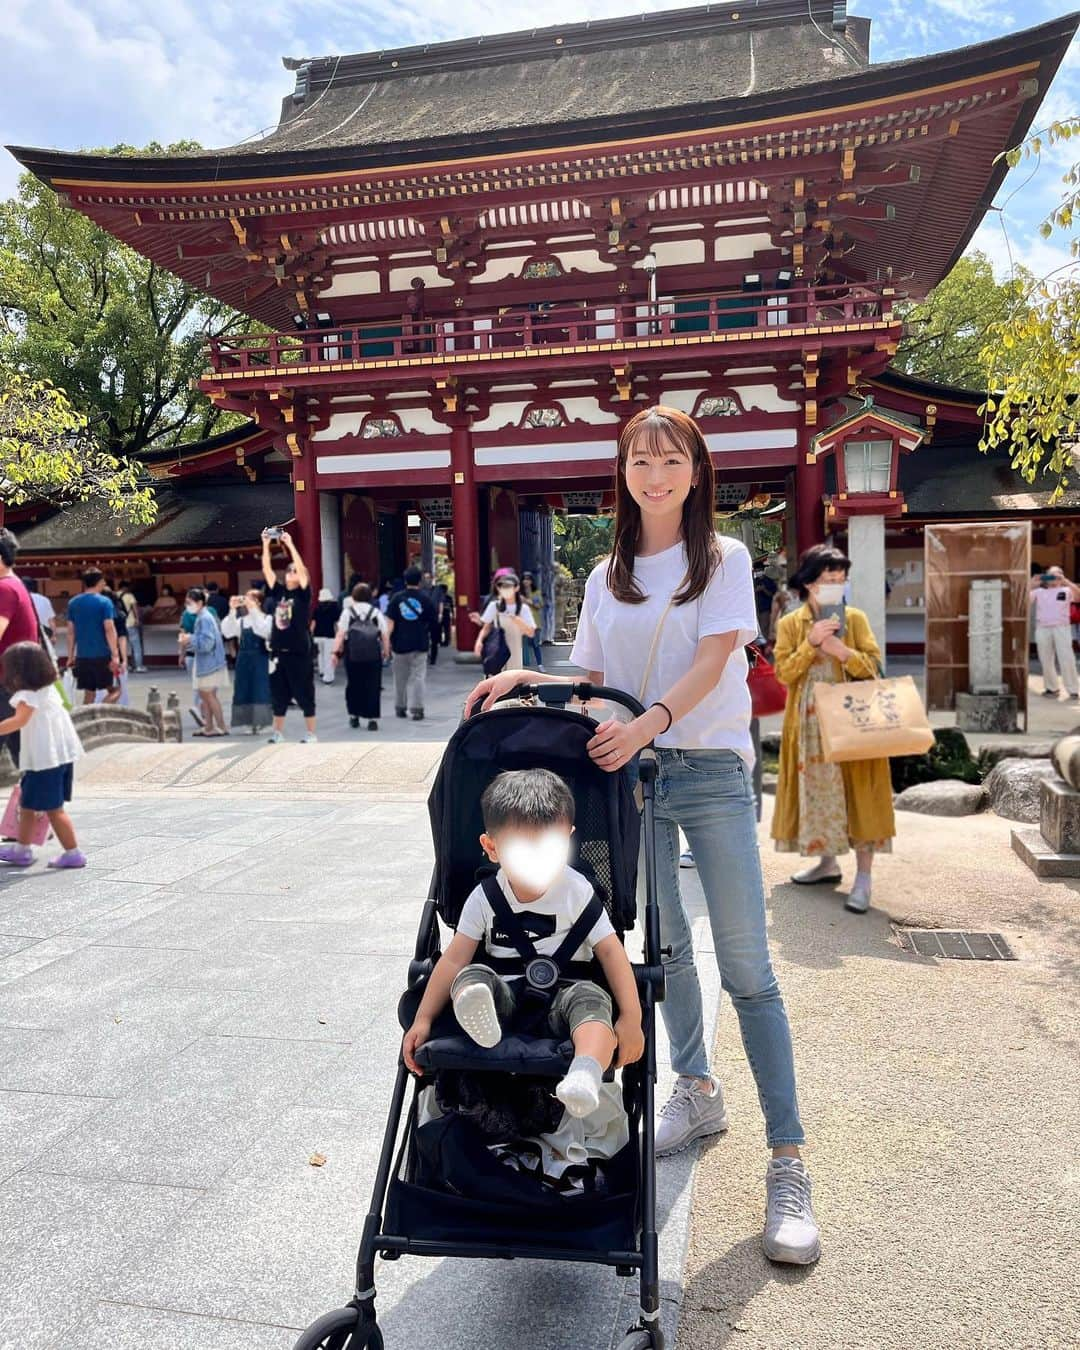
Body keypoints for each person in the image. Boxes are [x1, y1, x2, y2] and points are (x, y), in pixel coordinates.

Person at [465, 405, 819, 1266]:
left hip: (707, 770)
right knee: (667, 951)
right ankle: (696, 1089)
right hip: (632, 779)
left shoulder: (725, 559)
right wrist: (531, 676)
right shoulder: (608, 571)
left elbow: (715, 661)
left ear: (696, 472)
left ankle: (789, 1160)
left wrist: (651, 721)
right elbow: (595, 679)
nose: (654, 475)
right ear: (621, 472)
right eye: (639, 461)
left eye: (669, 460)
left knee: (750, 967)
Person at [402, 768, 643, 1119]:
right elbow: (453, 960)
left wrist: (632, 1019)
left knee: (594, 1005)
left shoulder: (577, 892)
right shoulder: (485, 898)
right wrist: (423, 1018)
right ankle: (476, 1016)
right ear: (492, 848)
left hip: (567, 993)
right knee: (472, 977)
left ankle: (584, 1075)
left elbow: (611, 953)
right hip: (504, 996)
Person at [770, 545, 895, 916]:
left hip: (852, 719)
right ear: (809, 584)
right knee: (819, 792)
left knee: (860, 794)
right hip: (809, 724)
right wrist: (810, 645)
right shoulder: (791, 624)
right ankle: (827, 862)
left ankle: (864, 877)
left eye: (841, 580)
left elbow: (873, 668)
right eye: (828, 580)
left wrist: (842, 652)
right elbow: (784, 674)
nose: (835, 586)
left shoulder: (854, 619)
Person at [0, 641, 85, 869]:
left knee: (54, 810)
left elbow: (19, 721)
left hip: (44, 760)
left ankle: (73, 853)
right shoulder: (49, 690)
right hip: (57, 757)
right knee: (27, 804)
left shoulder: (27, 695)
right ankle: (22, 849)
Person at [262, 529, 318, 743]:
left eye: (294, 571)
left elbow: (302, 572)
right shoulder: (279, 593)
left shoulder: (302, 595)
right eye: (289, 571)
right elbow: (267, 570)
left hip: (298, 651)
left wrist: (291, 544)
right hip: (277, 651)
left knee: (304, 692)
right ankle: (277, 732)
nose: (291, 573)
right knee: (279, 693)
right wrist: (266, 544)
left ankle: (311, 733)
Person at [0, 530, 41, 766]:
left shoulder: (5, 589)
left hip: (7, 681)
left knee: (21, 751)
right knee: (22, 754)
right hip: (17, 680)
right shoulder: (16, 585)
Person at [332, 582, 389, 730]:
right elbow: (384, 634)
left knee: (354, 685)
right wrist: (386, 651)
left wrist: (335, 652)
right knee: (373, 685)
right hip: (373, 654)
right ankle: (372, 719)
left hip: (353, 654)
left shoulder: (348, 612)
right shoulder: (376, 613)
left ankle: (354, 716)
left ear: (354, 596)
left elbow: (340, 634)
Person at [386, 567, 439, 721]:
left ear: (405, 580)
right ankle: (417, 709)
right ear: (420, 581)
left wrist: (387, 642)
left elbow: (390, 623)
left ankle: (400, 707)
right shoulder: (425, 599)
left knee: (400, 678)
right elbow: (434, 622)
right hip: (420, 643)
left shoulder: (396, 598)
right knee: (418, 677)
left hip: (399, 644)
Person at [66, 569, 121, 708]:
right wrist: (115, 654)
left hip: (83, 655)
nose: (104, 583)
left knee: (89, 694)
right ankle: (99, 710)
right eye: (102, 580)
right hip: (102, 653)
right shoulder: (105, 602)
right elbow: (109, 628)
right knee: (115, 690)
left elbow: (71, 632)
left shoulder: (73, 603)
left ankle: (86, 718)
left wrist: (70, 656)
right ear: (98, 582)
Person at [179, 588, 229, 737]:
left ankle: (220, 726)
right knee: (206, 695)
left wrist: (190, 639)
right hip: (210, 662)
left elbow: (207, 643)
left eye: (190, 602)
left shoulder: (204, 618)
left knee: (208, 695)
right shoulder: (204, 616)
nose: (188, 606)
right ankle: (209, 726)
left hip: (210, 663)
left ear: (200, 602)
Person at [221, 591, 272, 734]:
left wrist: (254, 610)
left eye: (251, 599)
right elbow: (228, 632)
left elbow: (263, 631)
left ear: (259, 602)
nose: (247, 602)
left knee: (260, 688)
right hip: (243, 658)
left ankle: (262, 722)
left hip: (260, 657)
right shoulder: (241, 620)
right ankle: (247, 722)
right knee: (244, 688)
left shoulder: (267, 618)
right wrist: (232, 610)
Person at [1030, 565, 1080, 699]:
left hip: (1061, 628)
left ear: (1061, 576)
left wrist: (1066, 581)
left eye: (1056, 575)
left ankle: (1073, 689)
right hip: (1043, 628)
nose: (1053, 578)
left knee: (1067, 658)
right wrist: (1032, 583)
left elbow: (1078, 597)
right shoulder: (1039, 592)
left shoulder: (1066, 590)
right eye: (1050, 575)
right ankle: (1052, 688)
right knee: (1046, 659)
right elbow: (1023, 600)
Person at [474, 572, 536, 673]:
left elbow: (531, 632)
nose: (505, 590)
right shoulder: (494, 606)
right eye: (502, 587)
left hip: (515, 651)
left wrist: (518, 621)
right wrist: (479, 641)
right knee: (496, 678)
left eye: (508, 586)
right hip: (496, 650)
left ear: (516, 588)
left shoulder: (523, 609)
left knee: (514, 679)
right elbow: (486, 627)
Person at [311, 588, 342, 684]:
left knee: (320, 654)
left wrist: (310, 634)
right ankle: (328, 677)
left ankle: (322, 671)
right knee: (329, 656)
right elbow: (337, 624)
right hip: (330, 635)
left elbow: (313, 623)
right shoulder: (335, 608)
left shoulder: (317, 608)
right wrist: (339, 635)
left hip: (318, 635)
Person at [520, 571, 546, 670]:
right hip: (521, 622)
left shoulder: (536, 593)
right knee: (523, 645)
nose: (526, 581)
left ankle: (540, 665)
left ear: (531, 581)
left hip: (534, 622)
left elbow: (539, 606)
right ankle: (524, 665)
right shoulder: (519, 593)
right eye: (524, 579)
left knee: (535, 644)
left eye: (528, 579)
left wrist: (527, 601)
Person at [118, 584, 146, 671]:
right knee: (136, 646)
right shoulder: (130, 596)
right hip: (130, 623)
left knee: (122, 646)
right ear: (126, 588)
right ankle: (138, 666)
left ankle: (124, 665)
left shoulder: (115, 595)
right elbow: (135, 608)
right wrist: (137, 619)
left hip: (120, 624)